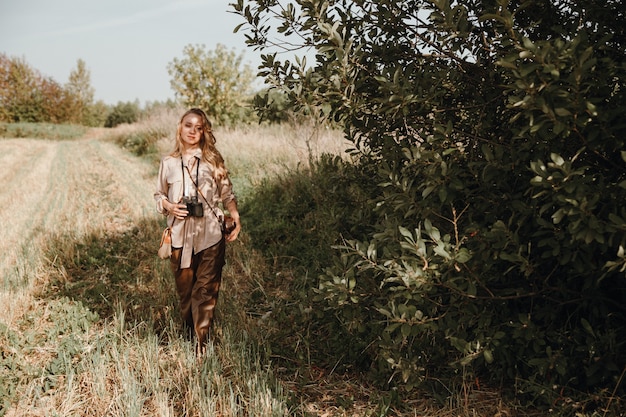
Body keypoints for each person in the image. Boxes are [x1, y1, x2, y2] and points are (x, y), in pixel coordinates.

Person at [154, 108, 241, 355]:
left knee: (204, 292)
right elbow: (158, 195)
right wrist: (169, 206)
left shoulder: (214, 160)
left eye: (199, 127)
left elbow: (227, 194)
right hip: (180, 235)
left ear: (205, 131)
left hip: (210, 235)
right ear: (180, 127)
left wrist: (234, 215)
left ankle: (201, 347)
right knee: (186, 294)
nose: (193, 131)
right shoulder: (168, 162)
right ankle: (189, 332)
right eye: (189, 125)